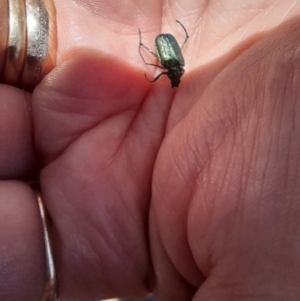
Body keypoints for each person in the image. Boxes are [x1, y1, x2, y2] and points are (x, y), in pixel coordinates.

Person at [1, 1, 300, 300]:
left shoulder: (172, 68)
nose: (174, 80)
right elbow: (170, 49)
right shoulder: (175, 66)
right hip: (165, 44)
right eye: (174, 79)